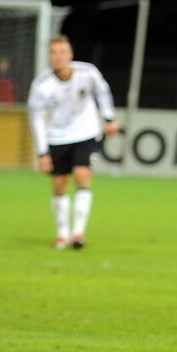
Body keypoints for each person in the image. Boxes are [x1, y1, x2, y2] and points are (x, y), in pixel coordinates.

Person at [28, 35, 118, 250]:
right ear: (49, 57)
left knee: (82, 174)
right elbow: (36, 119)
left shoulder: (88, 73)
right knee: (59, 183)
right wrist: (42, 152)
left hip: (85, 132)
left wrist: (109, 117)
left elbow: (102, 92)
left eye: (62, 52)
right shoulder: (42, 85)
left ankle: (78, 233)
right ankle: (62, 234)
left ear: (70, 55)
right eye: (53, 53)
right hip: (56, 137)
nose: (58, 57)